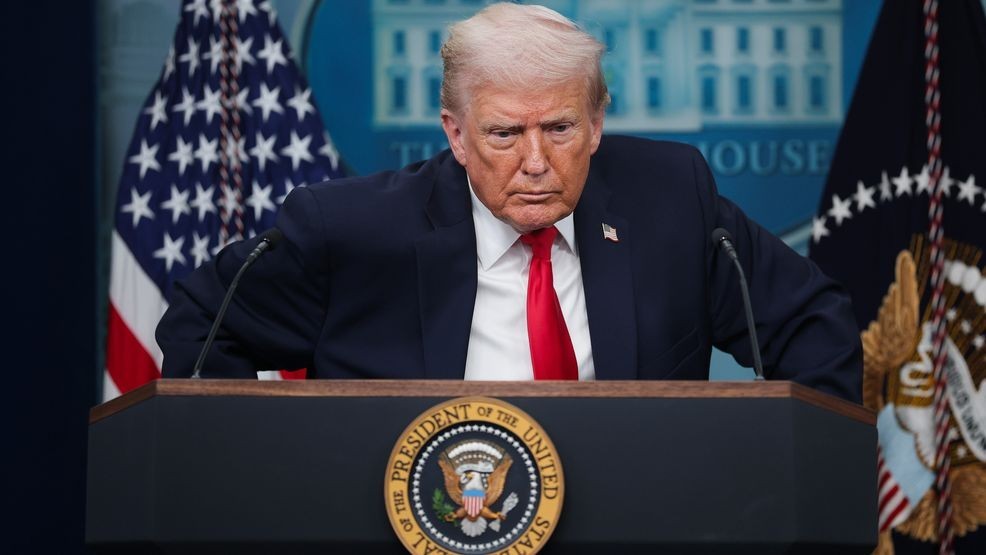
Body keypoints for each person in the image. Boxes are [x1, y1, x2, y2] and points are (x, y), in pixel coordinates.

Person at [156, 3, 862, 402]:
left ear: (596, 124)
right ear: (455, 134)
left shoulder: (671, 198)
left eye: (558, 128)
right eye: (503, 133)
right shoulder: (349, 228)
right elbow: (201, 327)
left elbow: (814, 324)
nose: (534, 162)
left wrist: (770, 491)